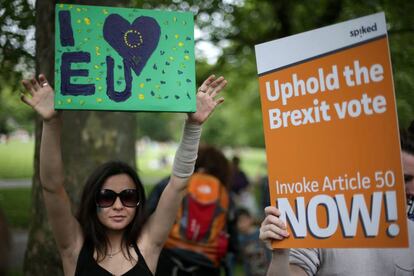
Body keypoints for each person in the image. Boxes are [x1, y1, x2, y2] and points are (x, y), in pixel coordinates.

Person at [20, 73, 227, 275]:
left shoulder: (148, 245)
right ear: (94, 200)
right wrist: (51, 123)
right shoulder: (73, 247)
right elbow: (52, 187)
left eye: (128, 196)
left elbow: (178, 185)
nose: (118, 206)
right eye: (106, 197)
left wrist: (193, 126)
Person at [259, 124, 414, 275]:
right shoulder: (319, 223)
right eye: (405, 179)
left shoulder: (411, 232)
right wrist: (280, 255)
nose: (412, 190)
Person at [146, 144, 238, 276]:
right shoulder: (224, 194)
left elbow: (147, 214)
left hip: (168, 257)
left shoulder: (175, 183)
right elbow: (232, 240)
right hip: (207, 264)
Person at [235, 208, 270, 276]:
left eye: (243, 221)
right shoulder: (240, 240)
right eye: (238, 222)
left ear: (250, 219)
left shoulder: (261, 234)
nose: (241, 225)